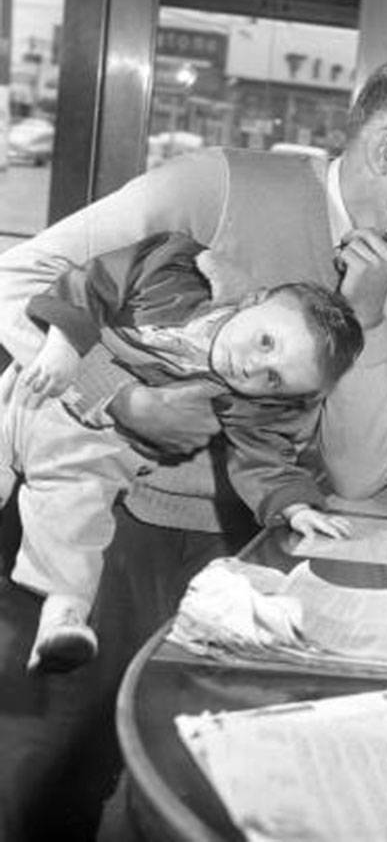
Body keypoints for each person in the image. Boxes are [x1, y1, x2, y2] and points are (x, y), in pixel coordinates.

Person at [0, 62, 387, 839]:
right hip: (104, 523)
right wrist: (119, 398)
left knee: (189, 787)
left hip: (249, 548)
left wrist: (363, 318)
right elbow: (17, 279)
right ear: (384, 147)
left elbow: (363, 471)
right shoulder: (216, 185)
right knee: (47, 768)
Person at [6, 231, 364, 672]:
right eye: (265, 342)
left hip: (95, 444)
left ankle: (64, 614)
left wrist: (295, 508)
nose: (252, 366)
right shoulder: (172, 277)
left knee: (75, 514)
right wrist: (63, 345)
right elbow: (89, 284)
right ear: (254, 299)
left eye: (273, 378)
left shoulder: (249, 403)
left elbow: (265, 459)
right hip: (35, 389)